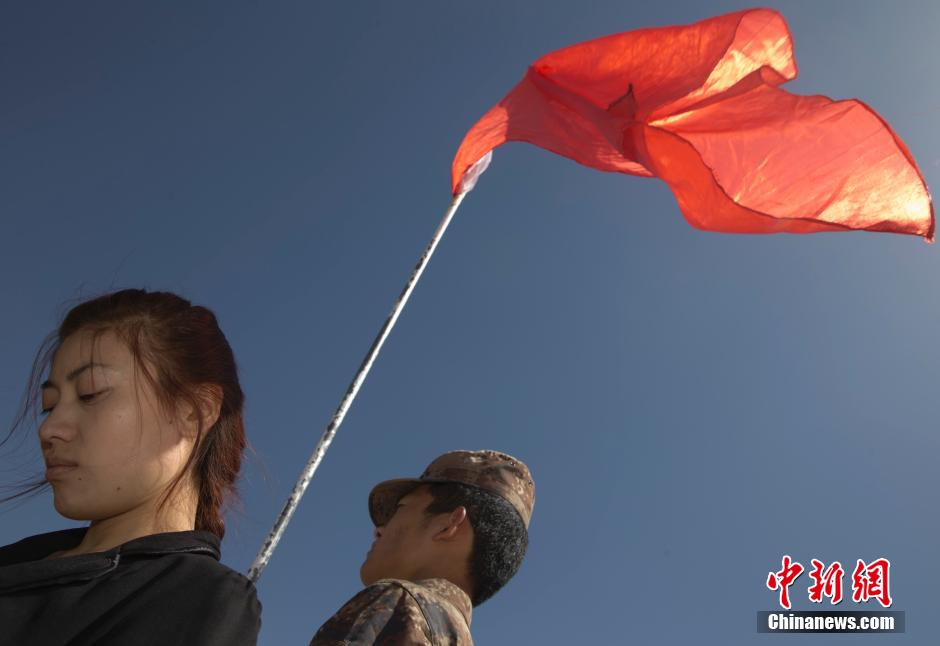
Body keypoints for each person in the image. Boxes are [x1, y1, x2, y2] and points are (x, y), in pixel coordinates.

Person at [0, 289, 262, 645]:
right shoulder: (22, 560)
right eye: (49, 405)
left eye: (90, 394)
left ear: (193, 411)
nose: (48, 429)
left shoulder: (195, 598)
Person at [309, 449, 535, 645]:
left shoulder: (398, 603)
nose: (379, 529)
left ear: (449, 524)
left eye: (400, 508)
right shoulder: (453, 634)